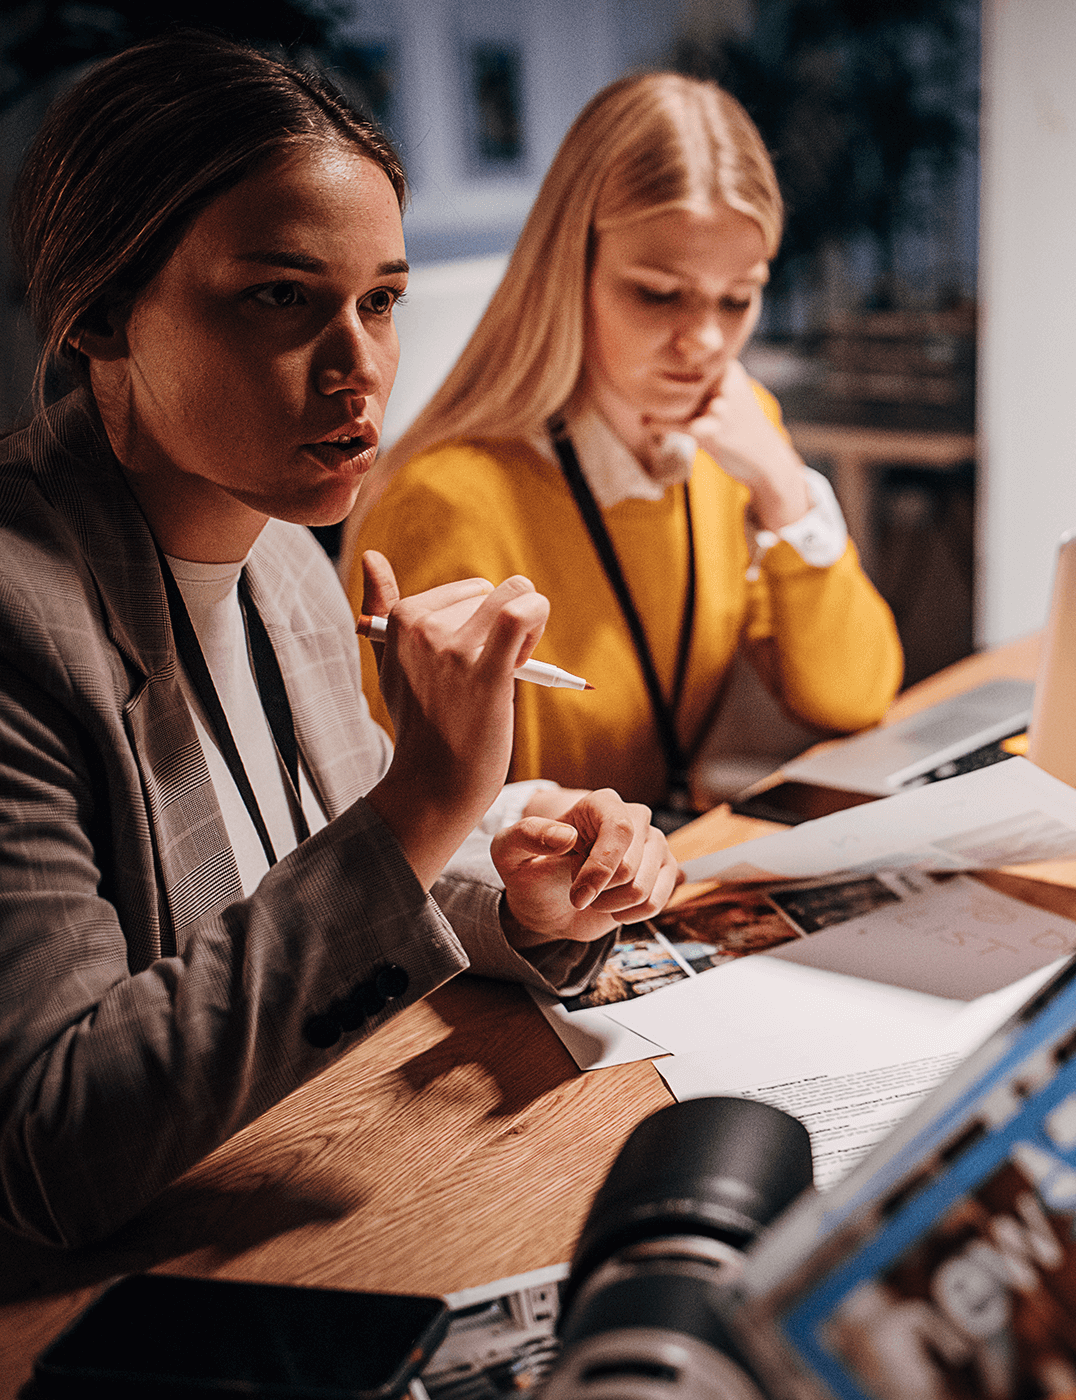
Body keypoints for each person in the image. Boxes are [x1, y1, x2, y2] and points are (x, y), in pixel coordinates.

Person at [0, 34, 682, 1249]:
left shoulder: (286, 559)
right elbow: (55, 1144)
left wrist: (526, 902)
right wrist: (429, 794)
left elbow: (338, 883)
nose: (360, 368)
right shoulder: (18, 622)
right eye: (280, 297)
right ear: (100, 312)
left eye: (380, 300)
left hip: (305, 1195)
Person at [344, 74, 903, 822]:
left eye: (737, 299)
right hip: (525, 915)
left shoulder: (733, 444)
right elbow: (397, 818)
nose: (705, 342)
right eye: (659, 293)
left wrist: (782, 486)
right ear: (570, 275)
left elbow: (853, 695)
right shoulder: (448, 498)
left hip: (664, 866)